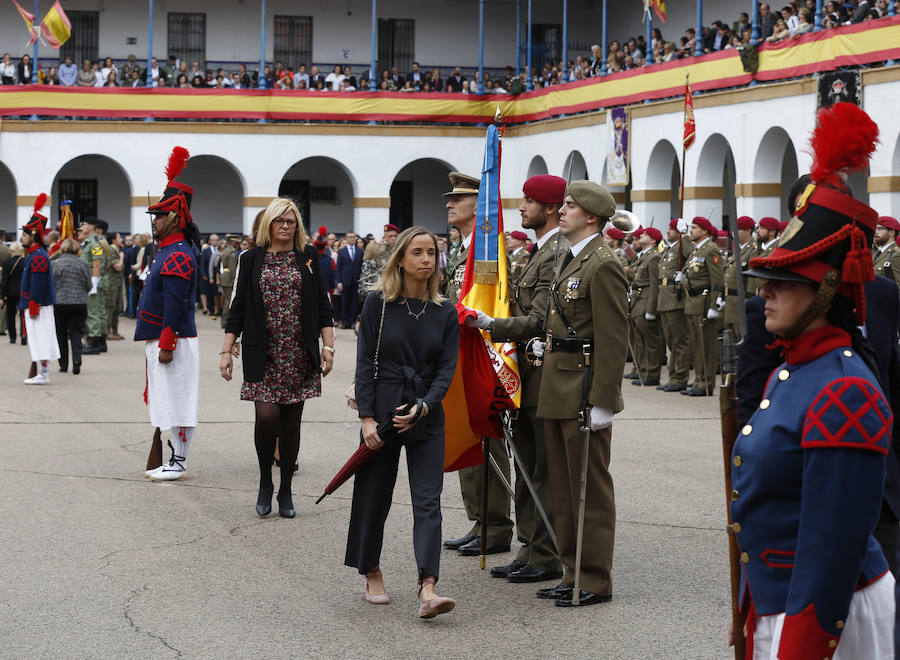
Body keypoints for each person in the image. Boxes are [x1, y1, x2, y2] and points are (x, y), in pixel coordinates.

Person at [732, 104, 894, 657]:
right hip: (777, 602)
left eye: (782, 282)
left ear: (826, 290)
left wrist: (800, 644)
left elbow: (831, 547)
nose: (765, 292)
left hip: (824, 618)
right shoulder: (794, 369)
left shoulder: (842, 391)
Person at [345, 226, 459, 618]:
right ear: (401, 259)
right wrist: (366, 419)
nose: (427, 259)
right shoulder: (378, 303)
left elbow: (446, 370)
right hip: (382, 408)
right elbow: (364, 362)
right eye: (418, 253)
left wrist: (426, 405)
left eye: (431, 253)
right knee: (374, 495)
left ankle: (428, 586)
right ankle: (371, 570)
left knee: (428, 501)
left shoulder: (446, 310)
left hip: (426, 411)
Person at [467, 174, 568, 584]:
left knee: (541, 468)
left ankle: (544, 553)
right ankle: (530, 547)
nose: (521, 207)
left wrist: (493, 324)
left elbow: (541, 319)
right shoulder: (537, 251)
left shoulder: (557, 252)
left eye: (529, 202)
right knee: (526, 464)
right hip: (526, 374)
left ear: (549, 208)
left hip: (544, 377)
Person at [533, 180, 628, 607]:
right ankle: (571, 568)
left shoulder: (602, 263)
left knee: (590, 486)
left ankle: (593, 578)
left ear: (591, 216)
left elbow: (613, 336)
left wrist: (605, 400)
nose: (563, 211)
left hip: (584, 387)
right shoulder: (571, 259)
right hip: (559, 384)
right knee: (564, 487)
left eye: (570, 206)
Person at [220, 197, 335, 517]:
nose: (285, 226)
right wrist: (226, 350)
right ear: (268, 224)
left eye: (291, 221)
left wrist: (328, 347)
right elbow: (238, 308)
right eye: (279, 221)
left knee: (291, 424)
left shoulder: (308, 257)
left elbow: (324, 307)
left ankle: (285, 487)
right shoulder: (252, 258)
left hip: (299, 352)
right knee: (267, 417)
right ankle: (264, 481)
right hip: (263, 352)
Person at [440, 171, 514, 557]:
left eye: (458, 198)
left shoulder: (486, 249)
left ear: (478, 205)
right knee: (466, 437)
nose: (450, 204)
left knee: (485, 441)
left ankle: (496, 525)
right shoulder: (461, 248)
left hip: (480, 358)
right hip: (458, 354)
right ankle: (480, 520)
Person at [136, 147, 201, 481]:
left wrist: (167, 341)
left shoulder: (176, 255)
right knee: (165, 400)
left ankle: (178, 460)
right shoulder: (168, 252)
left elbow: (176, 305)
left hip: (171, 338)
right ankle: (173, 457)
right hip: (164, 337)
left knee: (177, 400)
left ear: (175, 216)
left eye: (159, 216)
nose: (155, 220)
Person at [18, 197, 60, 384]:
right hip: (36, 304)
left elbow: (38, 283)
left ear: (34, 235)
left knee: (41, 339)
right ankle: (41, 372)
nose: (22, 238)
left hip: (38, 305)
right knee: (37, 339)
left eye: (25, 234)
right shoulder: (35, 255)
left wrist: (34, 302)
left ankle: (43, 374)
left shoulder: (38, 257)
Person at [680, 216, 724, 397]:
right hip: (693, 302)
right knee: (696, 344)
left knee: (706, 345)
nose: (691, 230)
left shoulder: (711, 250)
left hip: (704, 302)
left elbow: (717, 280)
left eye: (695, 228)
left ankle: (706, 382)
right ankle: (699, 378)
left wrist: (715, 305)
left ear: (705, 231)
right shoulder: (697, 250)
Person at [656, 219, 693, 392]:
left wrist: (685, 236)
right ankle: (673, 375)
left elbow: (690, 254)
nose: (668, 232)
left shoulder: (682, 245)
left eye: (671, 229)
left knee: (680, 341)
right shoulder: (670, 248)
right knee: (671, 340)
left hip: (675, 298)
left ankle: (680, 377)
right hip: (665, 298)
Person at [628, 227, 665, 387]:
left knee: (651, 342)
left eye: (644, 235)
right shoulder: (641, 256)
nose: (640, 236)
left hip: (645, 303)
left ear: (652, 240)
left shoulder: (653, 257)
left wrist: (651, 310)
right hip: (637, 302)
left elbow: (654, 284)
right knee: (640, 341)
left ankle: (652, 374)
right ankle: (643, 371)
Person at [52, 237, 91, 375]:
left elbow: (52, 284)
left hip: (60, 302)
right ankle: (76, 360)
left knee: (61, 334)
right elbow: (88, 285)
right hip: (79, 302)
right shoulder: (84, 264)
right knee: (76, 332)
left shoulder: (55, 264)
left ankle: (63, 364)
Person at [722, 216, 758, 342]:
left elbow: (752, 281)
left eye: (738, 230)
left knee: (742, 342)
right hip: (730, 304)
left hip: (741, 304)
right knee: (730, 345)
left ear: (748, 231)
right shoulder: (738, 250)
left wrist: (749, 305)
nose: (733, 233)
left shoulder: (753, 250)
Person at [78, 217, 109, 355]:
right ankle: (101, 341)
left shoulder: (95, 243)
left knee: (93, 313)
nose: (82, 226)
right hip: (93, 280)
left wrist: (93, 284)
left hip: (93, 280)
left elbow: (96, 264)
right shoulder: (90, 242)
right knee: (98, 311)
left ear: (92, 227)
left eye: (84, 224)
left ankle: (93, 343)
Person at [336, 231, 363, 329]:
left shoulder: (360, 252)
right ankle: (344, 321)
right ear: (346, 239)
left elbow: (361, 267)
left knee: (354, 302)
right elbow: (338, 268)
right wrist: (339, 281)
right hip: (345, 280)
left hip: (356, 280)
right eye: (350, 237)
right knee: (345, 301)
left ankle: (352, 321)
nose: (352, 239)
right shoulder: (342, 251)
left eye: (353, 237)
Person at [1, 241, 25, 344]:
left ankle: (12, 337)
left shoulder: (7, 263)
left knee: (10, 315)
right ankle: (23, 335)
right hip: (23, 291)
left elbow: (5, 280)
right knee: (23, 315)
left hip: (10, 292)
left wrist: (3, 295)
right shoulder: (25, 261)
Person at [105, 232, 125, 341]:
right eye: (118, 237)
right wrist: (121, 257)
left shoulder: (117, 250)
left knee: (118, 307)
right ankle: (107, 332)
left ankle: (115, 331)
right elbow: (117, 267)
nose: (121, 239)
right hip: (111, 283)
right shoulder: (112, 250)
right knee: (110, 307)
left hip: (117, 282)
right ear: (113, 240)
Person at [872, 216, 900, 289]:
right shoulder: (876, 253)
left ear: (891, 232)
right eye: (875, 228)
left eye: (880, 228)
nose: (876, 232)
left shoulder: (897, 254)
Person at [218, 235, 238, 328]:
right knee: (228, 300)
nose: (237, 243)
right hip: (229, 278)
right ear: (232, 242)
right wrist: (235, 280)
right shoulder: (232, 252)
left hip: (225, 277)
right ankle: (225, 321)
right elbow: (232, 268)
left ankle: (224, 321)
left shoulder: (226, 250)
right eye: (236, 242)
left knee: (226, 299)